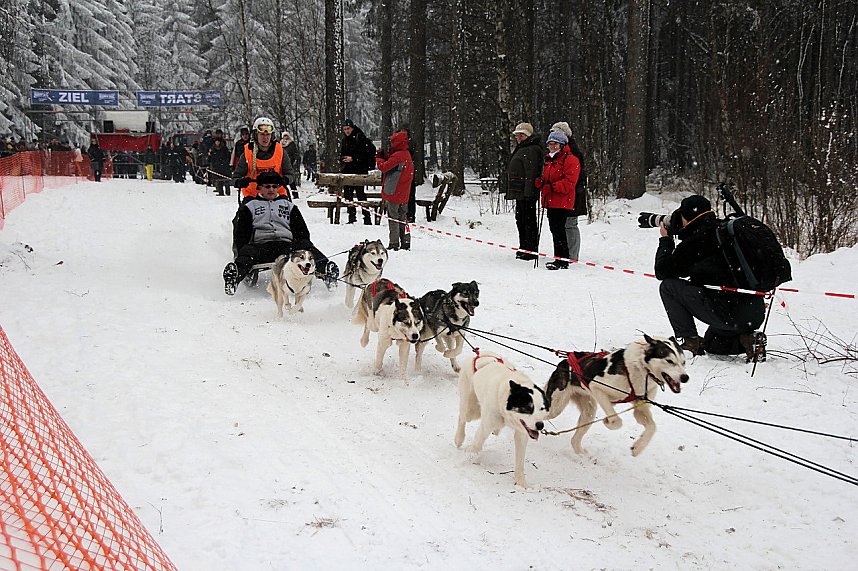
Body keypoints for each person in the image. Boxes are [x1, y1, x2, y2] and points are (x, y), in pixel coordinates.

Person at [653, 194, 766, 357]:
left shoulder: (697, 240)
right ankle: (749, 339)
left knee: (668, 287)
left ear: (686, 218)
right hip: (753, 313)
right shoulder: (725, 231)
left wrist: (666, 240)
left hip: (726, 312)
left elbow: (662, 272)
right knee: (714, 345)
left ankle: (690, 341)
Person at [222, 171, 338, 295]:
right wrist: (241, 250)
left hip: (286, 246)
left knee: (306, 247)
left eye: (274, 186)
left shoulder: (289, 206)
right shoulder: (250, 207)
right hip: (262, 246)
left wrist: (303, 245)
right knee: (247, 252)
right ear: (259, 187)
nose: (271, 189)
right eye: (267, 187)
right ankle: (235, 275)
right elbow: (242, 235)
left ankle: (326, 270)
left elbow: (302, 231)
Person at [535, 131, 581, 270]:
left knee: (559, 230)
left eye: (554, 144)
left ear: (561, 145)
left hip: (562, 200)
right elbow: (549, 177)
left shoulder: (571, 159)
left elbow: (569, 182)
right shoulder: (549, 159)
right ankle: (560, 258)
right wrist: (542, 182)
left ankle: (562, 259)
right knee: (555, 230)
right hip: (551, 200)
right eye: (549, 144)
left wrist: (552, 187)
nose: (551, 146)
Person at [504, 122, 543, 260]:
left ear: (528, 135)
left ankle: (530, 250)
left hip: (527, 192)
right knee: (520, 220)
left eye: (521, 135)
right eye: (517, 135)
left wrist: (529, 193)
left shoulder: (531, 149)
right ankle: (524, 246)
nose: (518, 137)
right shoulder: (523, 147)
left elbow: (531, 172)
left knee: (528, 220)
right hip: (520, 191)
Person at [232, 117, 296, 199]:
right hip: (253, 197)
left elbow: (290, 174)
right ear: (256, 135)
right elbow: (236, 177)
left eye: (268, 135)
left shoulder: (280, 152)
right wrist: (240, 182)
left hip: (277, 196)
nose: (265, 138)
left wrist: (285, 179)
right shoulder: (248, 153)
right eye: (262, 134)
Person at [550, 121, 587, 262]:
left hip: (574, 193)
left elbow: (575, 177)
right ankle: (564, 253)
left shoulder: (573, 153)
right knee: (563, 225)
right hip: (565, 192)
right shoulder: (558, 153)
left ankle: (571, 255)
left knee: (570, 224)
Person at [375, 130, 414, 251]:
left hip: (394, 191)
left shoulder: (398, 156)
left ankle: (394, 242)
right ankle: (405, 241)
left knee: (393, 217)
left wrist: (379, 158)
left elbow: (384, 167)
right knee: (403, 217)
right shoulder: (406, 154)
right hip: (404, 192)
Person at [339, 119, 376, 225]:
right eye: (344, 129)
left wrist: (354, 158)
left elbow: (364, 154)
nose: (346, 131)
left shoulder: (360, 137)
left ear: (352, 128)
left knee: (361, 194)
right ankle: (351, 217)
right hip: (348, 170)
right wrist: (343, 159)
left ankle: (367, 217)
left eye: (348, 129)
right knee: (348, 194)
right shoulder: (345, 140)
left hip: (359, 170)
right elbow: (342, 153)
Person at [280, 132, 301, 198]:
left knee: (291, 180)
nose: (285, 137)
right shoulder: (280, 144)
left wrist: (294, 161)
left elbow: (295, 154)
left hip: (290, 164)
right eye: (284, 136)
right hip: (280, 164)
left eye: (286, 136)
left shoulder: (291, 144)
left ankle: (295, 194)